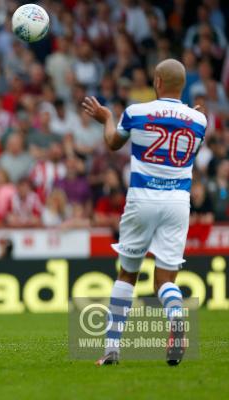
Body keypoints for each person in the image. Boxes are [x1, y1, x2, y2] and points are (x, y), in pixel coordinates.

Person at [82, 59, 207, 366]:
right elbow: (192, 154)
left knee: (128, 273)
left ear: (157, 82)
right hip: (178, 203)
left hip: (142, 199)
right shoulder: (199, 120)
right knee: (165, 279)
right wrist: (191, 119)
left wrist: (107, 117)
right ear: (183, 85)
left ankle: (112, 348)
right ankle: (176, 317)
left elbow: (113, 143)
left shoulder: (136, 111)